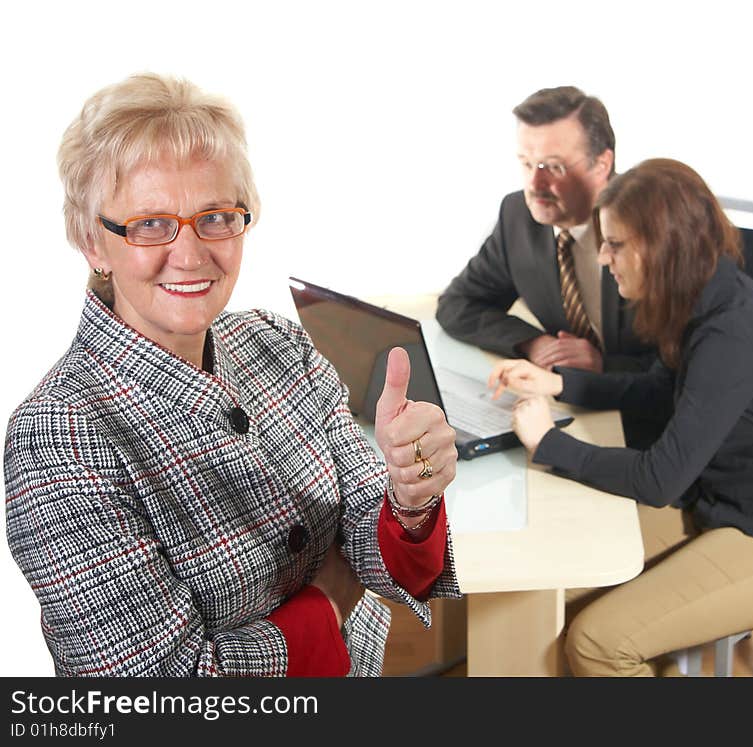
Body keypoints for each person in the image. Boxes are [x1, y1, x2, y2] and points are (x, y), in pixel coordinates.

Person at [3, 73, 460, 677]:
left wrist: (409, 499)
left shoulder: (275, 340)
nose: (191, 254)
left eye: (215, 216)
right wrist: (331, 601)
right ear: (92, 241)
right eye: (149, 224)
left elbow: (369, 533)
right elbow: (167, 691)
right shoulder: (57, 440)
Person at [488, 158, 753, 677]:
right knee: (547, 586)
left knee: (595, 643)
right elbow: (658, 388)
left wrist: (549, 443)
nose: (604, 258)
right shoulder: (698, 299)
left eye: (616, 245)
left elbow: (658, 479)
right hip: (722, 509)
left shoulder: (730, 334)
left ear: (663, 246)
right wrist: (561, 383)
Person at [435, 86, 663, 447]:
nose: (534, 184)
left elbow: (690, 371)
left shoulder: (653, 229)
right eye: (526, 164)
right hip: (569, 411)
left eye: (553, 166)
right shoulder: (517, 218)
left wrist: (603, 365)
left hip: (648, 428)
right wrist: (534, 344)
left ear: (602, 164)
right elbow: (457, 304)